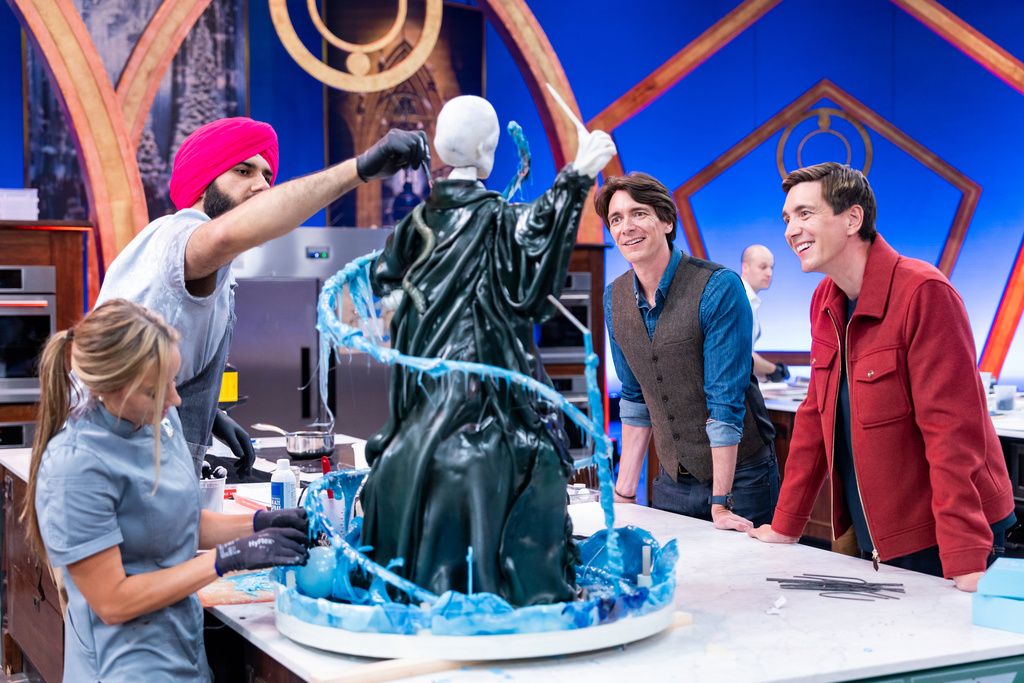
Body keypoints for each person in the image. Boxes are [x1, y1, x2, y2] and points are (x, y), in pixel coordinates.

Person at [359, 96, 616, 607]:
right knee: (534, 456)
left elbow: (379, 285)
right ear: (485, 149)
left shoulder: (414, 224)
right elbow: (531, 259)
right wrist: (578, 175)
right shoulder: (493, 218)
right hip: (486, 404)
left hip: (422, 404)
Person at [96, 117, 429, 478]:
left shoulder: (198, 262)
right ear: (202, 180)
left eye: (267, 177)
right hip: (126, 472)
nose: (261, 186)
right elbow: (222, 237)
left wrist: (207, 416)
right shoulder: (177, 235)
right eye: (243, 171)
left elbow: (154, 361)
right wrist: (360, 169)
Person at [748, 162, 1016, 592]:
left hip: (947, 535)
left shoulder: (924, 292)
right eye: (787, 218)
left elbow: (953, 435)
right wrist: (786, 525)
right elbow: (816, 417)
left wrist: (966, 556)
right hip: (875, 530)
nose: (790, 230)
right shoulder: (824, 300)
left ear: (852, 218)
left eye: (804, 214)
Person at [24, 298, 310, 681]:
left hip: (183, 656)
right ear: (111, 388)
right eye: (155, 390)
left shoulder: (160, 419)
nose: (174, 399)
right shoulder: (75, 467)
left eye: (172, 381)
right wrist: (224, 559)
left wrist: (260, 524)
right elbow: (112, 601)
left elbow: (176, 523)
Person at [599, 172, 778, 531]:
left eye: (638, 213)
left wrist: (722, 505)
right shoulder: (614, 298)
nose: (626, 227)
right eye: (616, 219)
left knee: (740, 586)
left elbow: (725, 403)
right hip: (672, 484)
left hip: (741, 480)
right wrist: (623, 495)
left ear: (666, 221)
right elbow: (635, 399)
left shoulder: (718, 287)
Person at [740, 244, 789, 383]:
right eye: (763, 267)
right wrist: (773, 370)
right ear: (745, 267)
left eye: (771, 267)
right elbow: (741, 353)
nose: (769, 273)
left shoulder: (749, 299)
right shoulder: (738, 299)